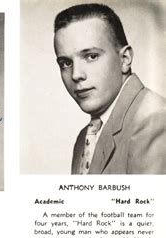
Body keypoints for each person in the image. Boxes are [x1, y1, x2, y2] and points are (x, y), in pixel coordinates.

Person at [53, 3, 166, 174]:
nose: (76, 75)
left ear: (125, 59)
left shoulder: (155, 121)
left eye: (91, 56)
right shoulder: (85, 137)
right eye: (66, 63)